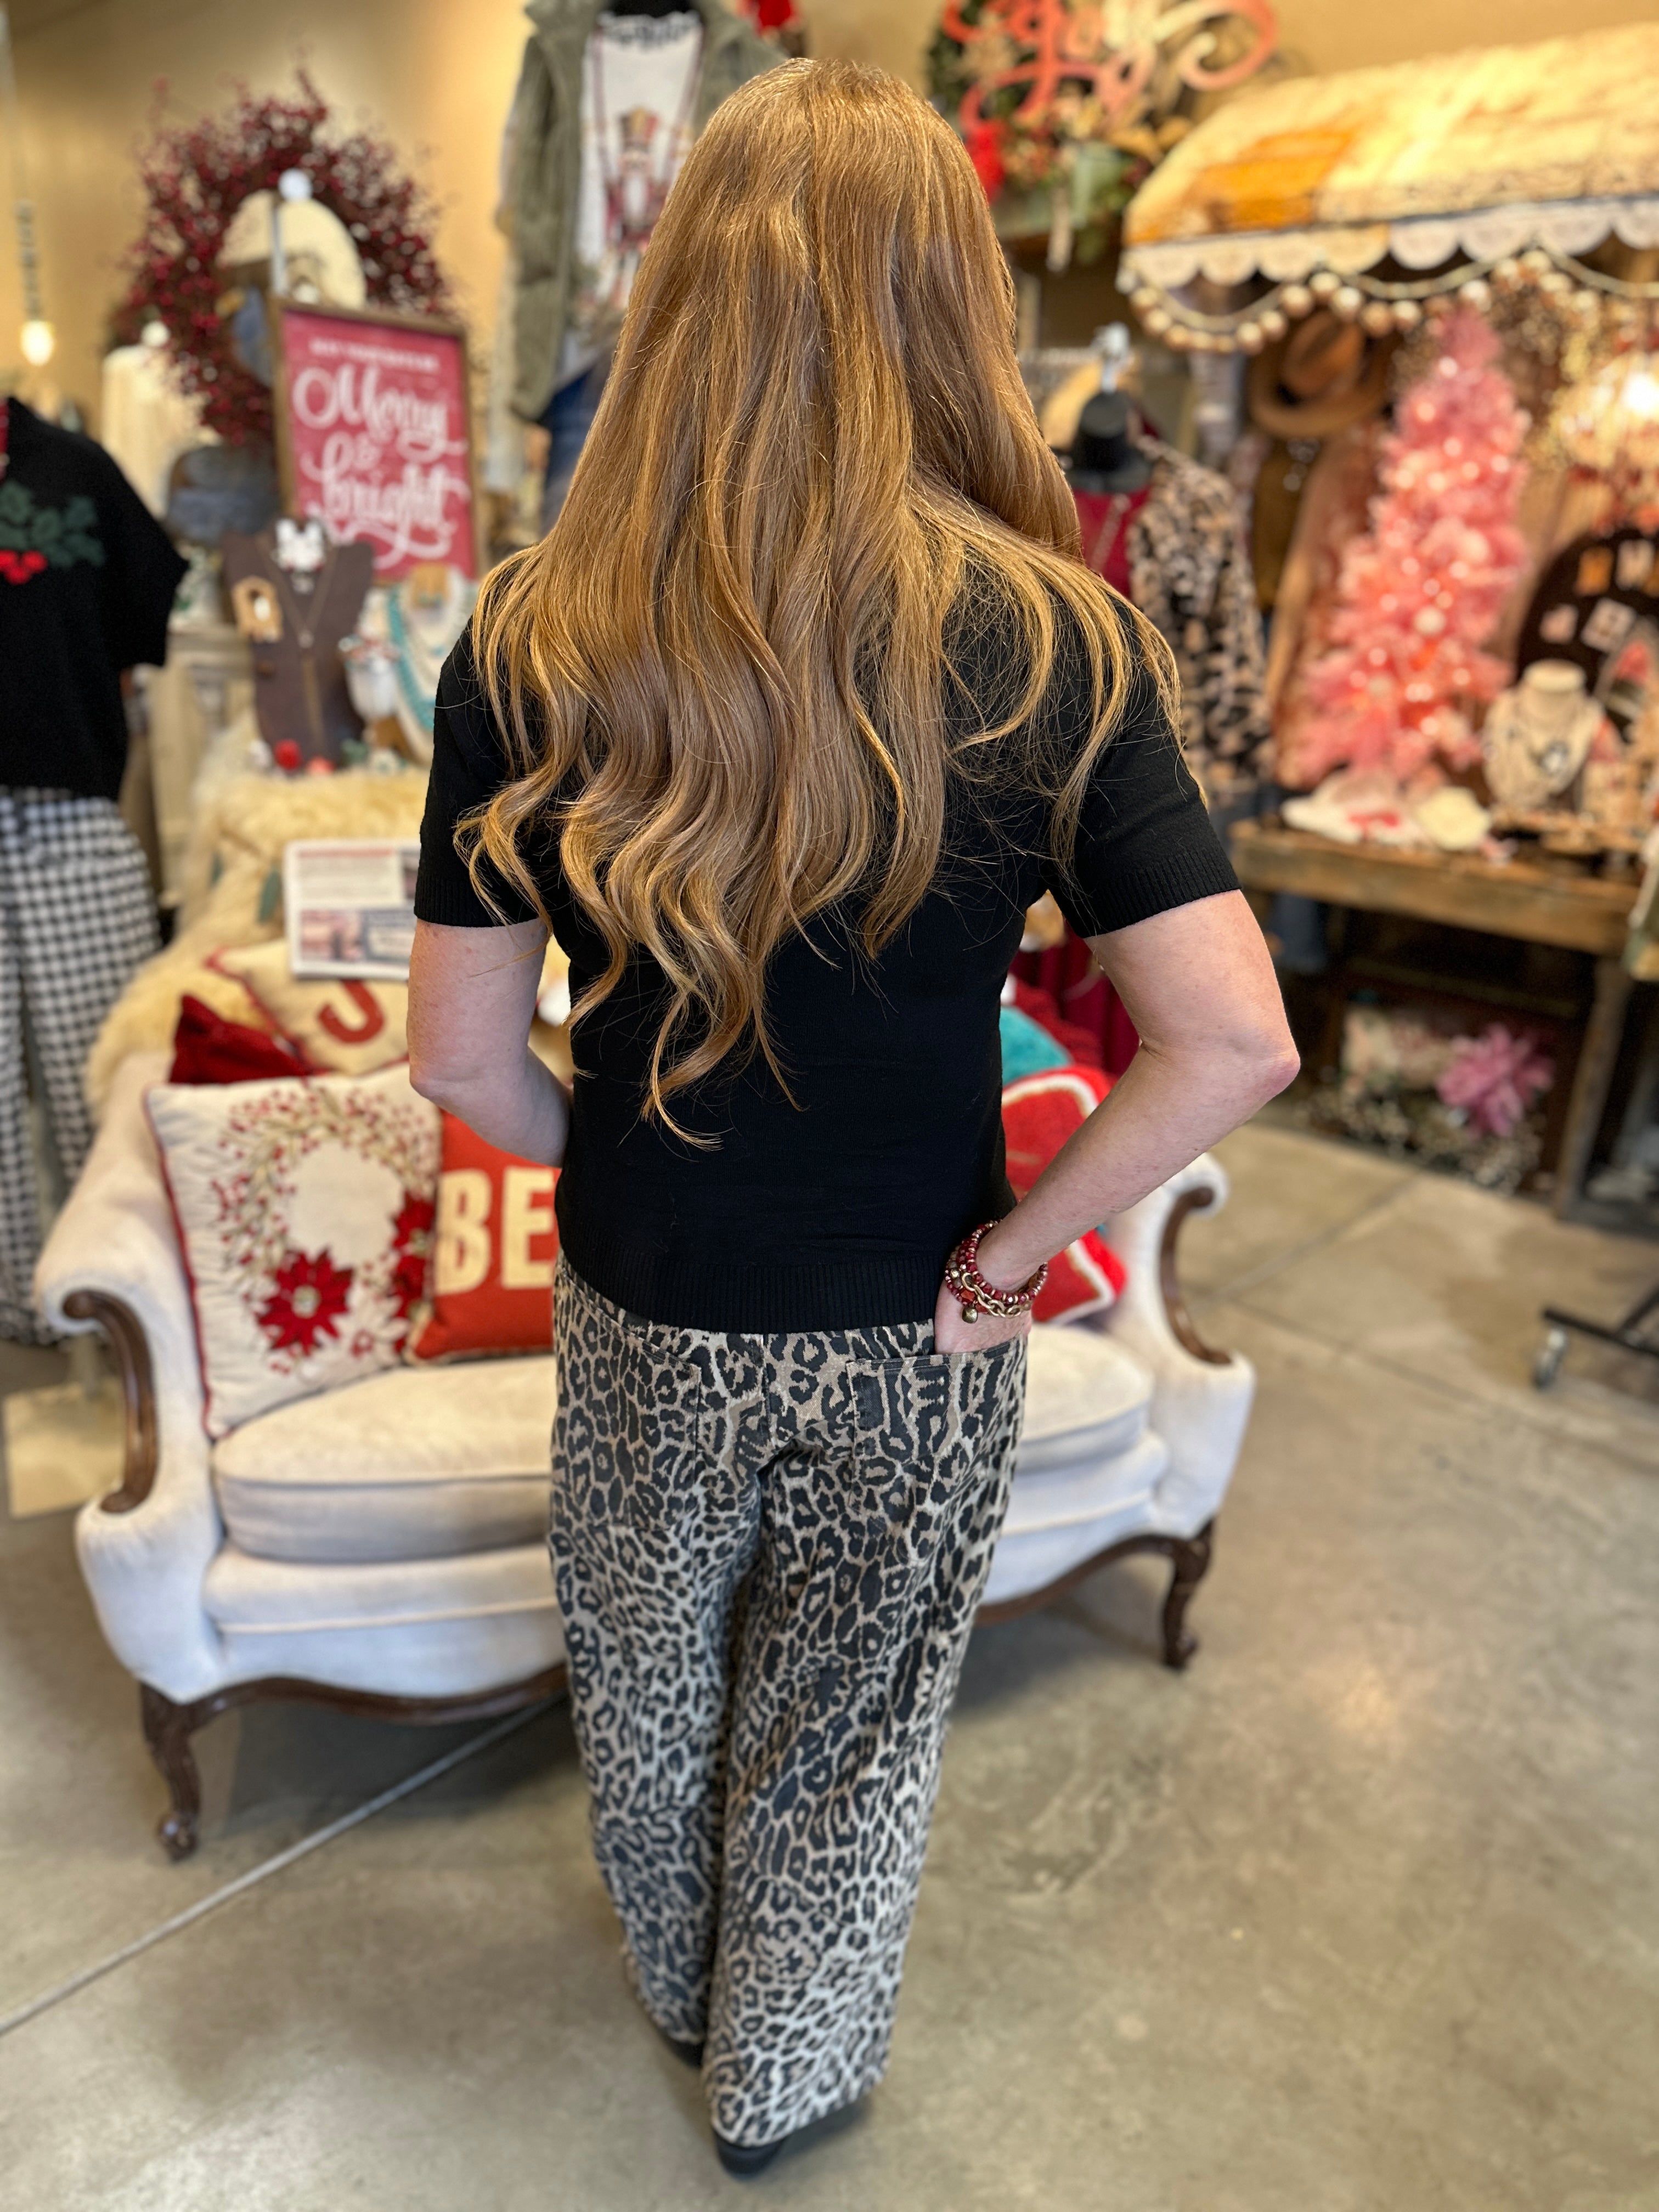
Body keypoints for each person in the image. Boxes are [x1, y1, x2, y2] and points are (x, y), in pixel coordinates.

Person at [408, 59, 1296, 2180]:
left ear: (681, 299)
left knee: (645, 1694)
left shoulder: (533, 630)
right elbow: (1233, 1043)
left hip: (644, 1304)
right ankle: (778, 2082)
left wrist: (614, 1169)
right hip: (920, 1318)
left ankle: (685, 1993)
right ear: (950, 304)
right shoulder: (1062, 642)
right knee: (852, 1734)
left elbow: (455, 1060)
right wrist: (1015, 1263)